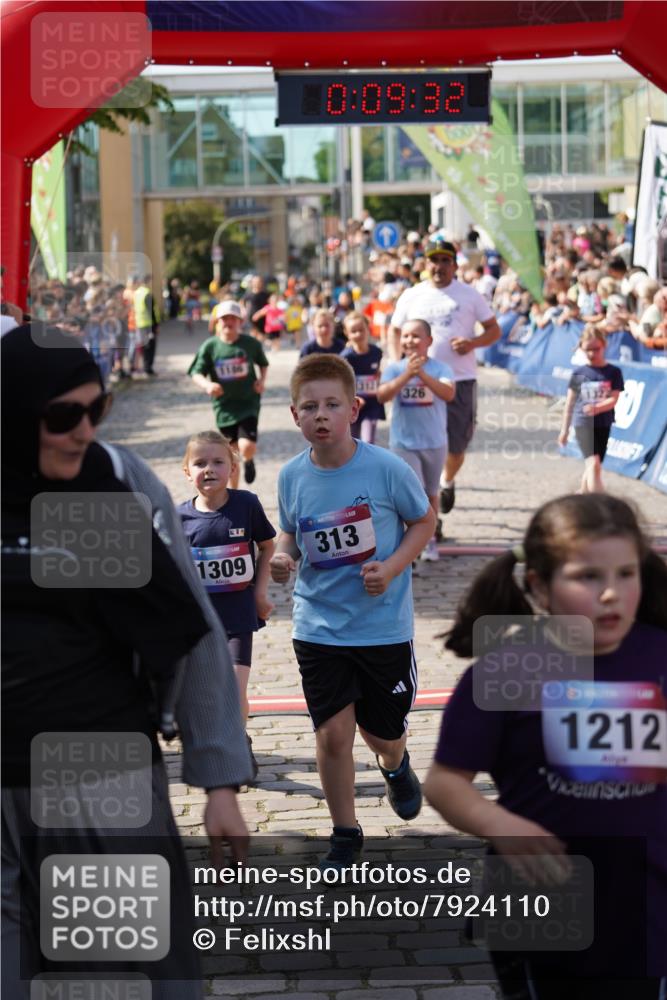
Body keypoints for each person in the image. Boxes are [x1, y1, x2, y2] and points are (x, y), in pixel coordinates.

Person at [1, 323, 252, 998]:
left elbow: (192, 630)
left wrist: (219, 775)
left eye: (97, 409)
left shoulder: (112, 483)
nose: (83, 430)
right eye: (62, 415)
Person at [424, 494, 667, 998]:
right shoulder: (508, 669)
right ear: (538, 585)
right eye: (587, 577)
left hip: (646, 901)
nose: (611, 594)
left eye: (626, 574)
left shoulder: (660, 656)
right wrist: (500, 825)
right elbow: (446, 782)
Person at [269, 354, 435, 869]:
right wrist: (281, 556)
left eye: (332, 405)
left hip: (382, 627)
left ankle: (396, 762)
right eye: (310, 407)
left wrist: (391, 567)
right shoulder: (292, 475)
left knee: (380, 732)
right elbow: (292, 532)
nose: (321, 415)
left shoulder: (386, 468)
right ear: (294, 415)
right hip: (318, 625)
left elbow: (423, 521)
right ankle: (345, 832)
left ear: (354, 409)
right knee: (333, 733)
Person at [178, 430, 276, 782]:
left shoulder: (246, 505)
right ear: (186, 471)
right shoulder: (180, 519)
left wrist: (260, 592)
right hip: (200, 625)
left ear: (233, 467)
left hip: (238, 617)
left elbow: (268, 546)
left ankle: (237, 741)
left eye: (218, 462)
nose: (209, 469)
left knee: (234, 692)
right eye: (200, 463)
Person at [389, 236, 501, 519]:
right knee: (421, 444)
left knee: (457, 444)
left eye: (445, 261)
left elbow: (493, 330)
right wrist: (397, 364)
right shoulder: (412, 294)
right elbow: (394, 331)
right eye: (434, 260)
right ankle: (429, 517)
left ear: (454, 264)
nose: (439, 266)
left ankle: (446, 481)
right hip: (418, 379)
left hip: (459, 378)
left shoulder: (469, 294)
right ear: (426, 264)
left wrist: (472, 343)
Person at [378, 319, 455, 561]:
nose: (410, 341)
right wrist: (407, 375)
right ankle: (408, 544)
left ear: (428, 341)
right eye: (406, 336)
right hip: (403, 442)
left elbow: (448, 393)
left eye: (415, 336)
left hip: (434, 442)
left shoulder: (441, 368)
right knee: (413, 492)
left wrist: (421, 374)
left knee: (431, 493)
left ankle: (429, 540)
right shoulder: (394, 368)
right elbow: (382, 395)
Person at [188, 299, 269, 487]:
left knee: (246, 447)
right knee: (231, 454)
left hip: (248, 402)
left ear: (240, 321)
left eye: (233, 318)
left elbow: (263, 363)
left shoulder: (250, 344)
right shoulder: (210, 347)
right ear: (217, 322)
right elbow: (195, 372)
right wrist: (207, 385)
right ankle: (234, 493)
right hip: (224, 407)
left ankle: (248, 460)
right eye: (224, 318)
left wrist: (261, 381)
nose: (229, 322)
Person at [558, 326, 624, 494]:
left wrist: (598, 408)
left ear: (604, 346)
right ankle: (600, 502)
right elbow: (570, 403)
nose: (592, 353)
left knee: (594, 465)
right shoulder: (579, 373)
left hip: (603, 423)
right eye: (588, 350)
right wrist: (564, 430)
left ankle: (583, 493)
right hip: (583, 423)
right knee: (593, 463)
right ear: (581, 348)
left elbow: (614, 399)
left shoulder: (613, 372)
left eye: (596, 349)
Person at [339, 312, 385, 444]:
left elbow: (376, 372)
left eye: (361, 330)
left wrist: (379, 378)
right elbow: (340, 383)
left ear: (368, 329)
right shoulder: (345, 357)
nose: (358, 334)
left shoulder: (377, 352)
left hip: (371, 403)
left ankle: (367, 464)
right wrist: (353, 397)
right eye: (353, 331)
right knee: (352, 441)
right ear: (347, 333)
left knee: (369, 440)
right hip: (351, 405)